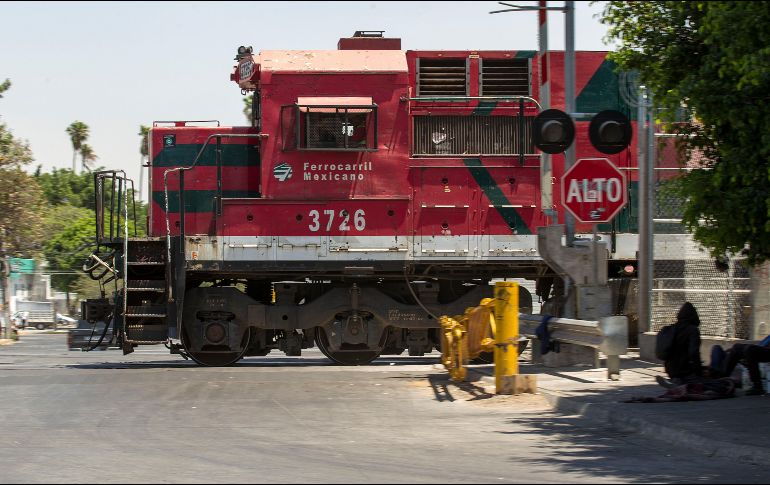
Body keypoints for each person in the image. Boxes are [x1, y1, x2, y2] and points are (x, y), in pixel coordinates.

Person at [656, 302, 704, 388]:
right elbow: (694, 353)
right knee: (706, 382)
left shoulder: (672, 329)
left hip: (671, 370)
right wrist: (699, 371)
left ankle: (677, 381)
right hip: (686, 370)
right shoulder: (692, 330)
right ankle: (685, 383)